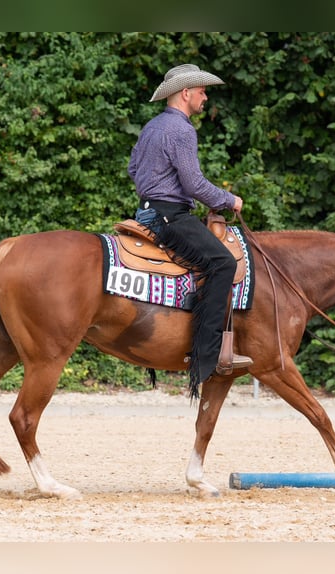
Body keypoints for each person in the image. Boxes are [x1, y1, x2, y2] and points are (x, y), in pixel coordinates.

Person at [127, 63, 253, 392]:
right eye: (202, 91)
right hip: (171, 217)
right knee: (223, 262)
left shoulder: (151, 127)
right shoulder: (182, 130)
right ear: (186, 93)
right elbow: (195, 183)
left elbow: (132, 168)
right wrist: (229, 200)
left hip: (147, 213)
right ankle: (206, 358)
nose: (205, 97)